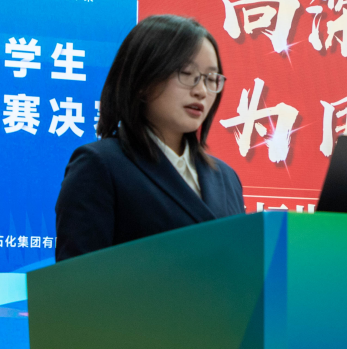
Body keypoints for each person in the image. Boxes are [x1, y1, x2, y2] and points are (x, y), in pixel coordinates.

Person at [54, 15, 245, 261]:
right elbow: (76, 278)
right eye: (187, 73)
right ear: (143, 80)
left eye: (211, 79)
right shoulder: (99, 165)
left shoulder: (227, 178)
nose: (201, 91)